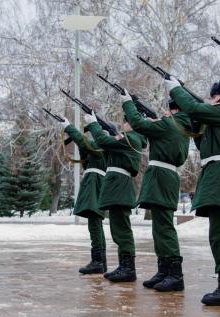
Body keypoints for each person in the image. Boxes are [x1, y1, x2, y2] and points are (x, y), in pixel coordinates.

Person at [166, 78, 220, 305]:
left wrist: (175, 88)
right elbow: (203, 144)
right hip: (217, 172)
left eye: (214, 97)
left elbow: (193, 107)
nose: (212, 102)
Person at [120, 91, 191, 292]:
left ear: (175, 110)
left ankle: (175, 274)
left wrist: (127, 103)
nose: (167, 113)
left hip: (162, 176)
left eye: (170, 109)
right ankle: (165, 270)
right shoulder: (180, 126)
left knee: (165, 226)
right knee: (159, 226)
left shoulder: (171, 124)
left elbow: (139, 124)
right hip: (161, 175)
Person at [83, 112, 146, 282]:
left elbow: (102, 142)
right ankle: (124, 266)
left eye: (125, 123)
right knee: (118, 230)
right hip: (117, 187)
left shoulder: (131, 138)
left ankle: (128, 269)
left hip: (120, 187)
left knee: (122, 231)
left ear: (130, 124)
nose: (123, 126)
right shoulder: (130, 139)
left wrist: (94, 124)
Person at [59, 119, 108, 274]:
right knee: (95, 224)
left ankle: (98, 261)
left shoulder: (102, 147)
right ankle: (100, 261)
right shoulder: (100, 149)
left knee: (94, 223)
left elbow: (83, 141)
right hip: (95, 183)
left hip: (95, 184)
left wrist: (68, 127)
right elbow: (85, 153)